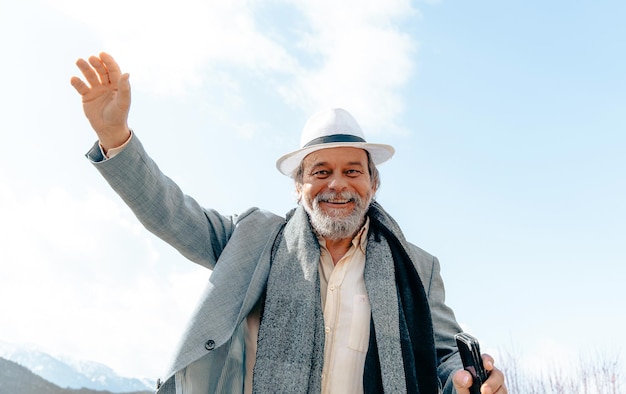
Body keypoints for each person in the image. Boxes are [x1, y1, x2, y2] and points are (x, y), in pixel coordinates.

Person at [71, 52, 507, 394]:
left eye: (353, 171)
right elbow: (171, 214)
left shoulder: (417, 269)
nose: (337, 184)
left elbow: (445, 355)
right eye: (320, 171)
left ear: (373, 183)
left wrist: (469, 380)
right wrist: (116, 138)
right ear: (298, 187)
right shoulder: (253, 241)